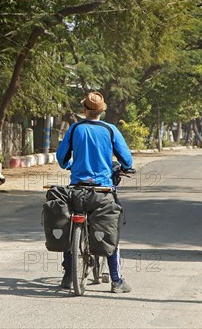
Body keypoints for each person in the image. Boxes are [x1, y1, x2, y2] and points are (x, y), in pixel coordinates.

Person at [55, 91, 134, 293]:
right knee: (110, 230)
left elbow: (62, 159)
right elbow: (127, 160)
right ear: (102, 110)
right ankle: (116, 281)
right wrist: (121, 166)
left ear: (84, 110)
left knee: (68, 226)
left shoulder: (74, 129)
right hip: (102, 191)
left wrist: (71, 165)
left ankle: (67, 275)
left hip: (77, 191)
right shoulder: (110, 130)